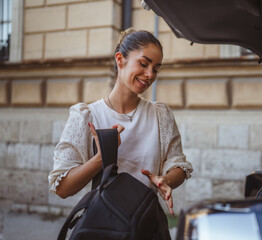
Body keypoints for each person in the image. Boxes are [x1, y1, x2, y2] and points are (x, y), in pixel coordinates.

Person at [48, 28, 193, 215]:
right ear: (120, 60)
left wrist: (165, 180)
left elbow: (178, 165)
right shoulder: (87, 116)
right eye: (143, 63)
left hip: (145, 224)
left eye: (156, 69)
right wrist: (101, 158)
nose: (150, 74)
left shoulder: (160, 115)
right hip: (104, 225)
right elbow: (62, 188)